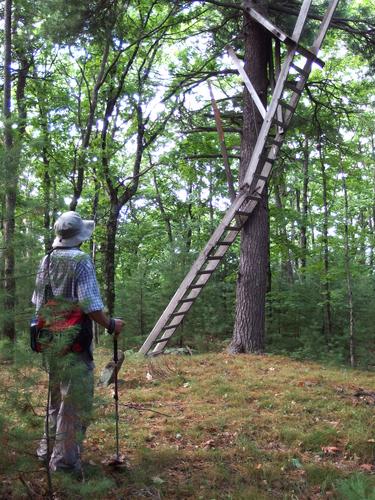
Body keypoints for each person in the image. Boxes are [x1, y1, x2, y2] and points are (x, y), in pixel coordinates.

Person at [32, 211, 124, 473]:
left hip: (51, 341)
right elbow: (90, 305)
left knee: (55, 401)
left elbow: (38, 304)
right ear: (79, 236)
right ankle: (65, 465)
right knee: (74, 404)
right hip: (76, 345)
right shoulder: (81, 260)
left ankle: (46, 451)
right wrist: (111, 325)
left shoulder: (47, 259)